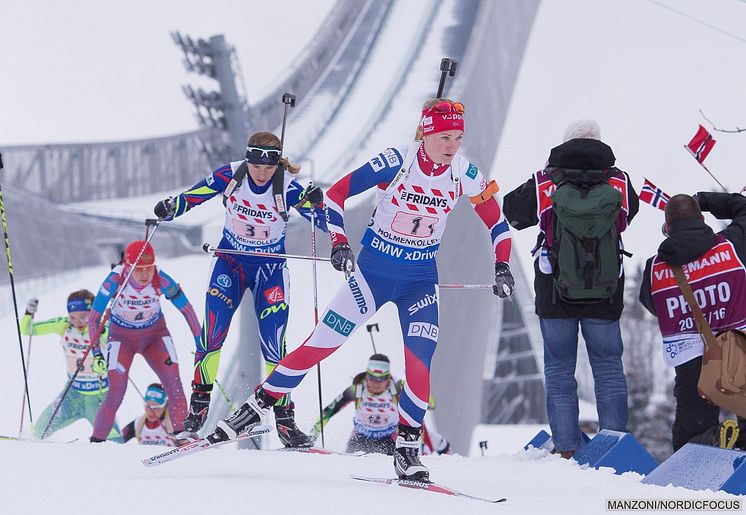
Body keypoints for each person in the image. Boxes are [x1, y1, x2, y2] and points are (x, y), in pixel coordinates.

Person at [204, 98, 514, 481]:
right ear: (428, 133)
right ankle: (256, 407)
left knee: (420, 363)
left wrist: (502, 267)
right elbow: (335, 195)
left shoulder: (465, 174)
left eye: (458, 138)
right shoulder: (395, 160)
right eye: (445, 137)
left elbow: (498, 225)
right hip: (372, 274)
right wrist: (338, 240)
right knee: (320, 343)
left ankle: (407, 448)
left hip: (419, 284)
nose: (453, 145)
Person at [153, 131, 326, 447]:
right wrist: (170, 208)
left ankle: (285, 421)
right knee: (212, 336)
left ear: (276, 163)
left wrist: (317, 202)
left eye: (268, 167)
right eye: (256, 166)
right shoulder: (230, 174)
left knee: (274, 346)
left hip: (269, 270)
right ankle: (198, 412)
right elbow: (195, 195)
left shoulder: (288, 187)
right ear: (248, 160)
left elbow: (324, 220)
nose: (261, 173)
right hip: (230, 264)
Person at [503, 119, 639, 458]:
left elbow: (512, 212)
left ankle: (565, 448)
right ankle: (613, 448)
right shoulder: (618, 180)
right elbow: (628, 215)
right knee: (608, 367)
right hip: (606, 287)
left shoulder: (545, 181)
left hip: (555, 287)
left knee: (559, 369)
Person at [639, 192, 746, 451]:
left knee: (691, 433)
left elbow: (652, 304)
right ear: (701, 219)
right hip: (739, 348)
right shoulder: (732, 245)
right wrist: (706, 200)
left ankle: (706, 449)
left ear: (667, 228)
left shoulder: (655, 267)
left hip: (690, 357)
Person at [88, 240, 200, 442]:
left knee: (174, 385)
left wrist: (201, 341)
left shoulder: (160, 278)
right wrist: (97, 353)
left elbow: (187, 309)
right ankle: (96, 442)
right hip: (122, 339)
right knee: (116, 391)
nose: (145, 274)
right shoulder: (115, 279)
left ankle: (182, 437)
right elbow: (94, 318)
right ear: (128, 266)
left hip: (155, 336)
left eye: (149, 268)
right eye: (138, 269)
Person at [20, 290, 122, 441]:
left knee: (116, 443)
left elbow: (120, 339)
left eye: (83, 317)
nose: (77, 322)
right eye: (73, 317)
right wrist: (29, 312)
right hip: (72, 395)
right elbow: (27, 329)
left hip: (99, 398)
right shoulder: (63, 325)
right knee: (38, 431)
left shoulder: (102, 328)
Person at [309, 354, 450, 455]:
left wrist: (416, 387)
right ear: (366, 375)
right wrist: (313, 435)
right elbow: (328, 411)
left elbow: (430, 404)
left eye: (381, 379)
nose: (376, 383)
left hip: (389, 438)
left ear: (388, 377)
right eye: (372, 378)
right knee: (349, 468)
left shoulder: (397, 388)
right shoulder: (357, 388)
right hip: (360, 437)